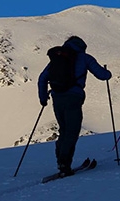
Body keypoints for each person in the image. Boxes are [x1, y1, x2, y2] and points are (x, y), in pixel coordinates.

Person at [38, 36, 111, 176]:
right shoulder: (84, 58)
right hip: (73, 97)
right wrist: (108, 73)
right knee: (72, 131)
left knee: (64, 130)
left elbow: (42, 78)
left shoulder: (57, 58)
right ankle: (64, 163)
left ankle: (61, 161)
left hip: (57, 97)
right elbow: (102, 75)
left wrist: (43, 98)